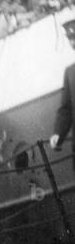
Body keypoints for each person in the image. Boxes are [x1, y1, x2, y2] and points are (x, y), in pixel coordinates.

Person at [50, 20, 75, 160]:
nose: (73, 42)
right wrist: (58, 133)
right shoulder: (70, 72)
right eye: (70, 38)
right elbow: (66, 108)